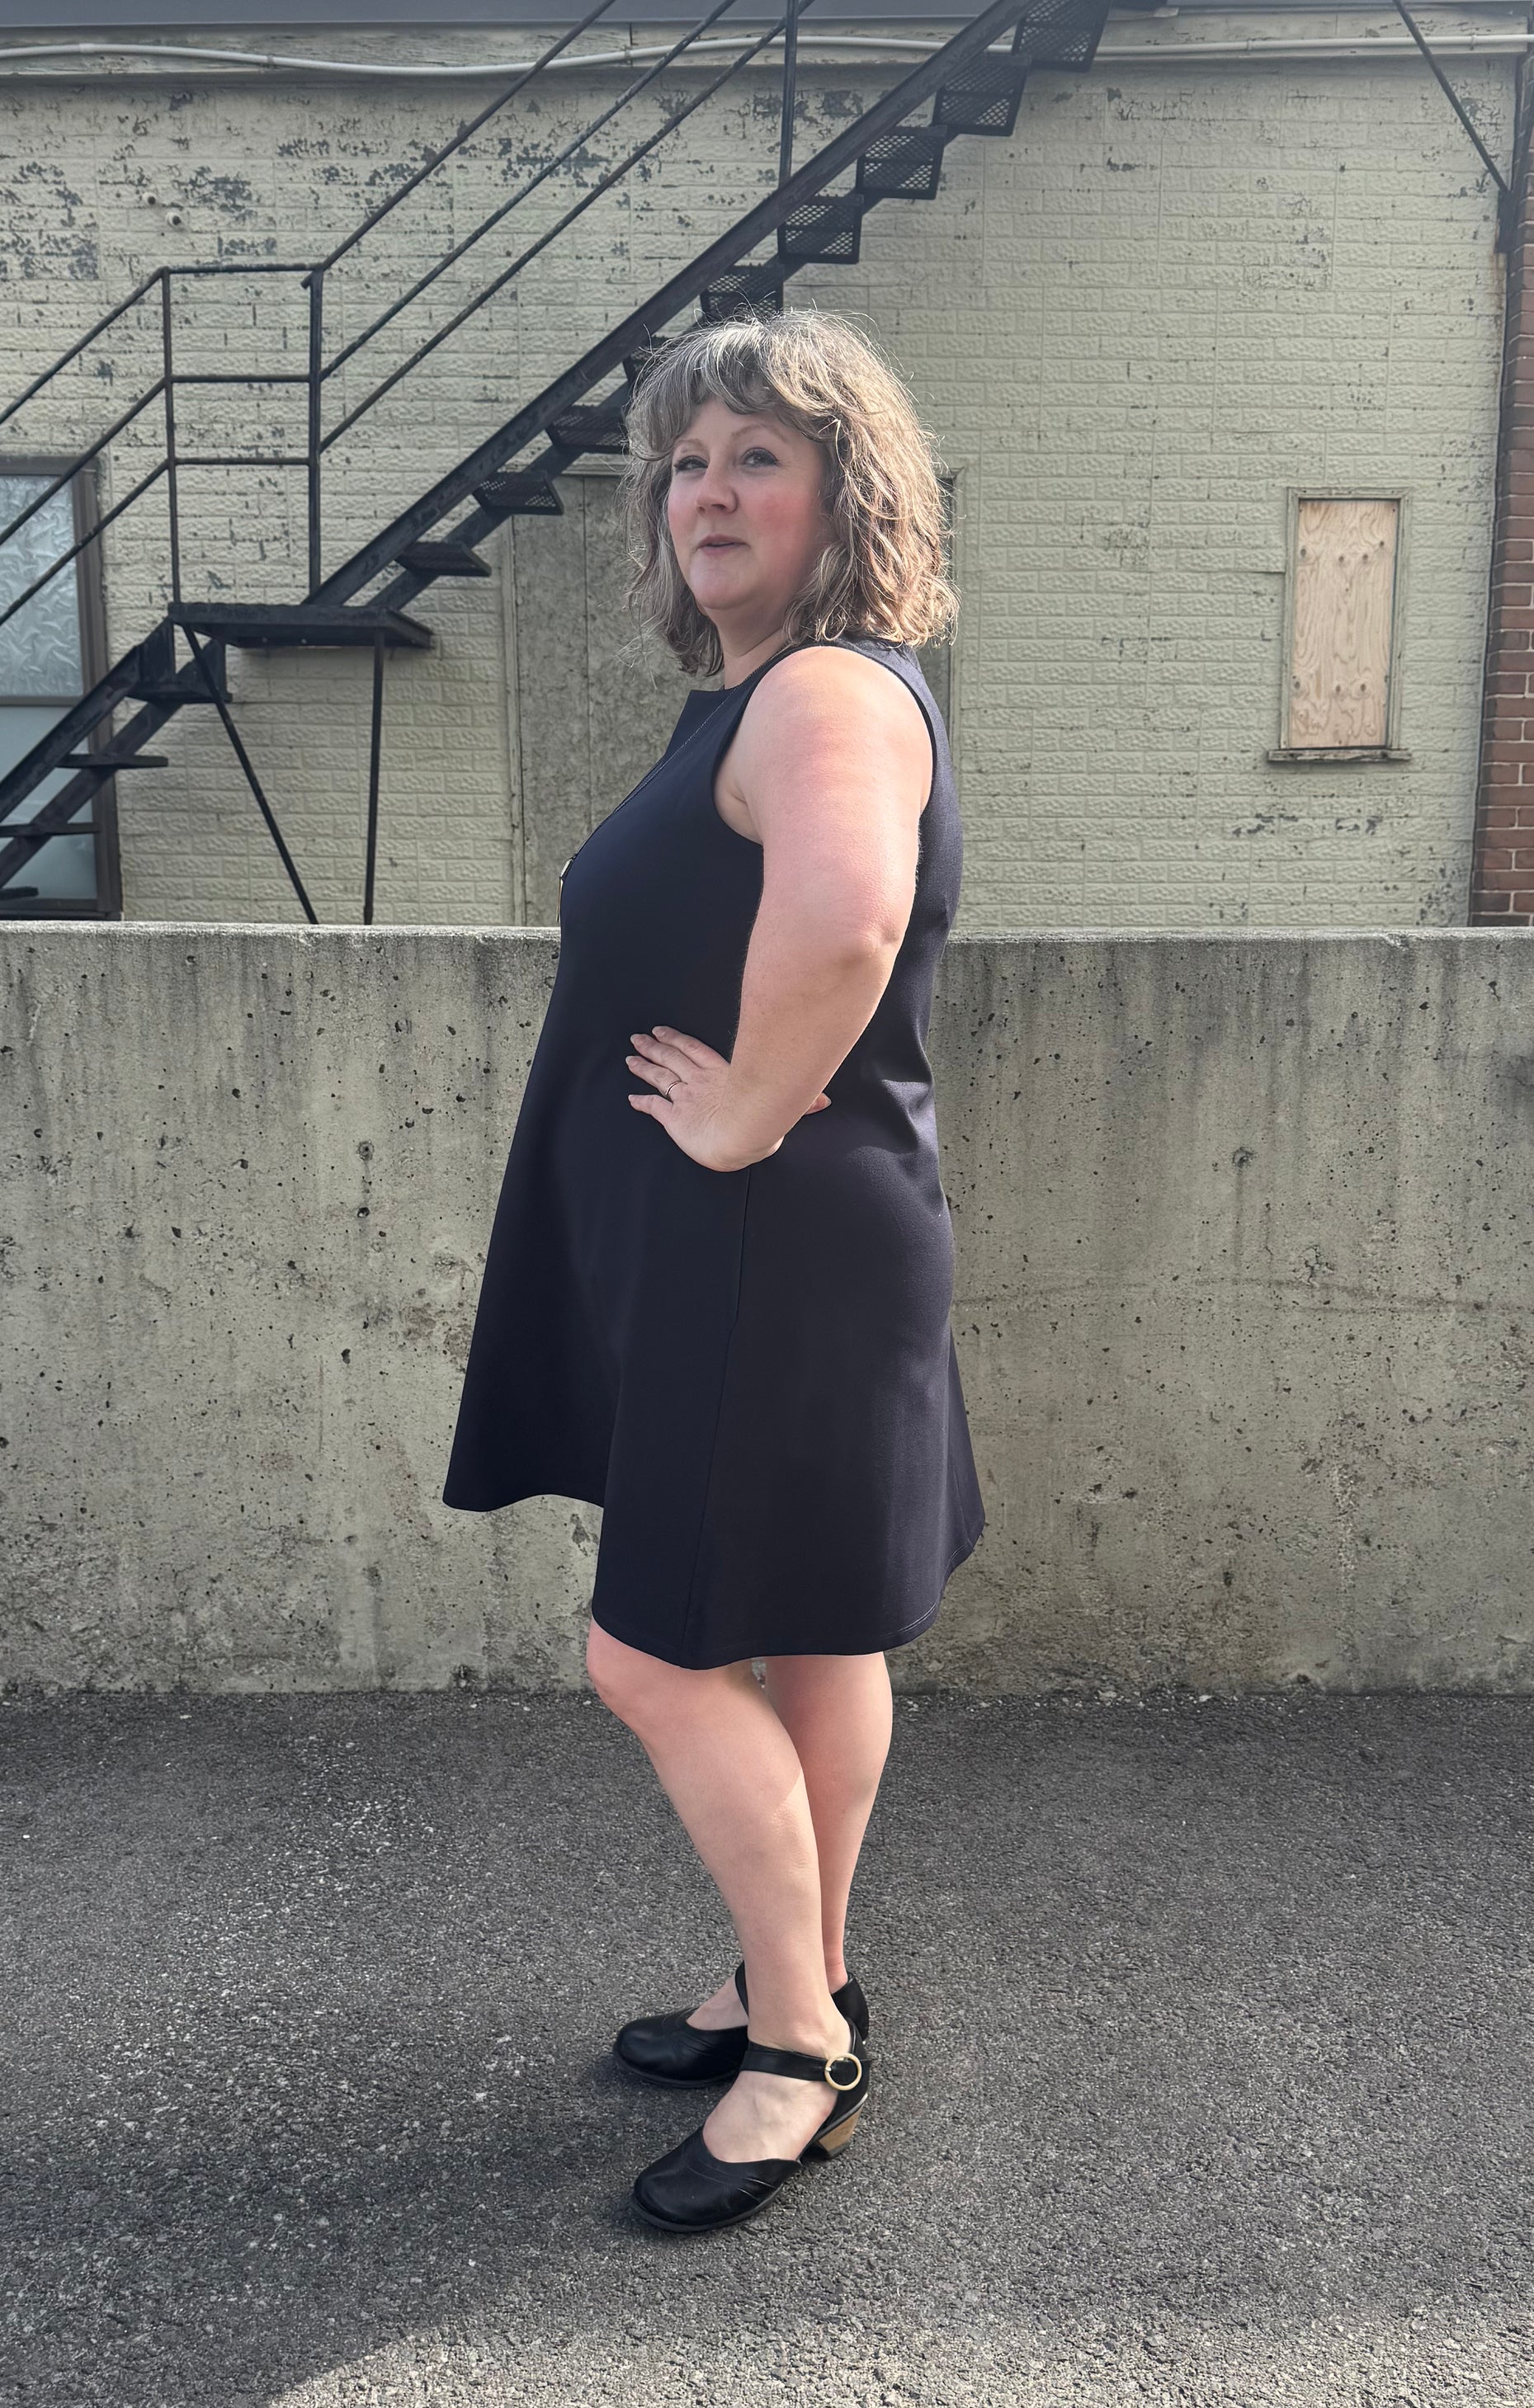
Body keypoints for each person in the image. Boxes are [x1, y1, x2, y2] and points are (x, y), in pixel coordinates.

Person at [441, 307, 984, 2233]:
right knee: (817, 1627)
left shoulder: (825, 693)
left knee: (651, 1649)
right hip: (793, 1245)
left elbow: (845, 918)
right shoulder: (784, 694)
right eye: (683, 461)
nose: (706, 491)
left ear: (847, 491)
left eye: (757, 452)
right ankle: (797, 1972)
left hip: (765, 1233)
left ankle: (800, 2052)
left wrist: (749, 1110)